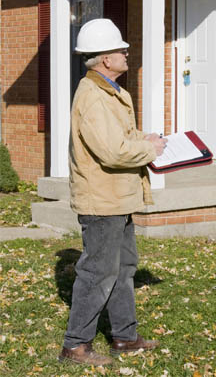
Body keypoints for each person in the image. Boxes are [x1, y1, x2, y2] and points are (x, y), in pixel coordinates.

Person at [59, 18, 167, 366]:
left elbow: (122, 138)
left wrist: (147, 140)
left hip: (118, 197)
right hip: (102, 201)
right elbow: (112, 151)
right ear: (105, 59)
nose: (126, 52)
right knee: (98, 273)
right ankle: (75, 346)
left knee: (124, 269)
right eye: (121, 49)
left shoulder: (113, 92)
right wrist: (150, 151)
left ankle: (124, 337)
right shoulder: (92, 97)